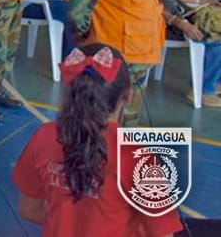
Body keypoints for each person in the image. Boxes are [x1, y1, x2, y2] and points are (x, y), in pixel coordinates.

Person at [12, 44, 182, 237]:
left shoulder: (44, 136)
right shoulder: (136, 156)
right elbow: (163, 233)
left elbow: (29, 209)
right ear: (128, 95)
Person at [145, 0, 221, 108]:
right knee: (216, 40)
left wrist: (204, 1)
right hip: (166, 23)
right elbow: (154, 5)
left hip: (177, 15)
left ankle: (213, 80)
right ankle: (202, 90)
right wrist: (181, 23)